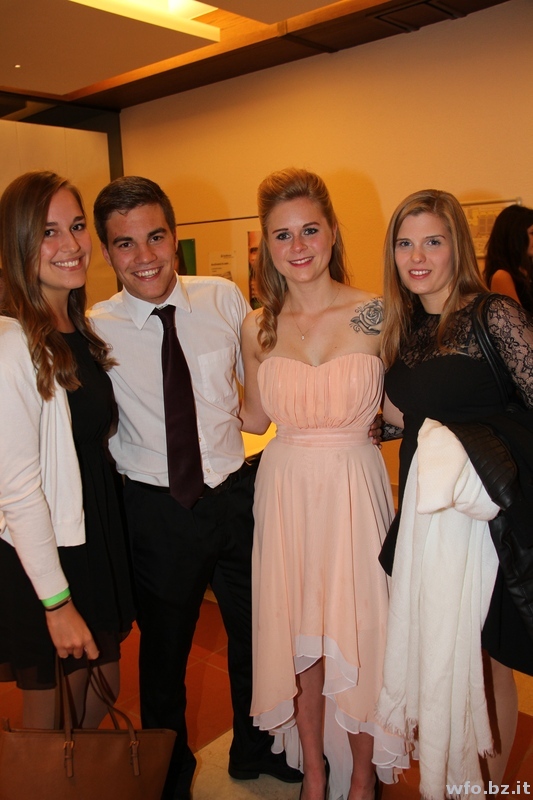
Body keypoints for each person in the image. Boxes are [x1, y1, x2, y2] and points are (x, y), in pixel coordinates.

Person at [89, 176, 303, 800]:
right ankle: (170, 770)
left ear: (174, 235)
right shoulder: (96, 328)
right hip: (155, 512)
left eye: (156, 237)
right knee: (164, 655)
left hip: (235, 495)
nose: (145, 256)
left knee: (258, 638)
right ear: (107, 252)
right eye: (125, 244)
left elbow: (254, 391)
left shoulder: (222, 298)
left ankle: (256, 748)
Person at [240, 168, 408, 800]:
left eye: (310, 229)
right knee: (298, 642)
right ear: (266, 244)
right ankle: (314, 773)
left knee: (361, 634)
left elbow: (403, 411)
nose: (298, 245)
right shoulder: (258, 326)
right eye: (282, 234)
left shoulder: (378, 312)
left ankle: (361, 779)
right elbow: (253, 419)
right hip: (284, 494)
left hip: (354, 493)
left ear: (333, 232)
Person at [377, 189, 533, 793]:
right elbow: (412, 416)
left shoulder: (494, 314)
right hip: (426, 518)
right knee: (445, 652)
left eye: (432, 242)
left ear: (457, 248)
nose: (417, 257)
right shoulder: (406, 327)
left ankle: (481, 789)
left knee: (484, 662)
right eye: (405, 243)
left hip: (484, 517)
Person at [0, 171, 134, 730]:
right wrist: (56, 603)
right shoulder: (13, 342)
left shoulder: (74, 325)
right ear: (18, 244)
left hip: (87, 532)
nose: (71, 244)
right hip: (49, 550)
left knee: (100, 693)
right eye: (49, 232)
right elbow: (16, 489)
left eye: (76, 226)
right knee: (54, 725)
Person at [483, 203, 533, 312]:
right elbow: (518, 320)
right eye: (532, 233)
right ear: (515, 236)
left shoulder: (527, 272)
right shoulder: (502, 276)